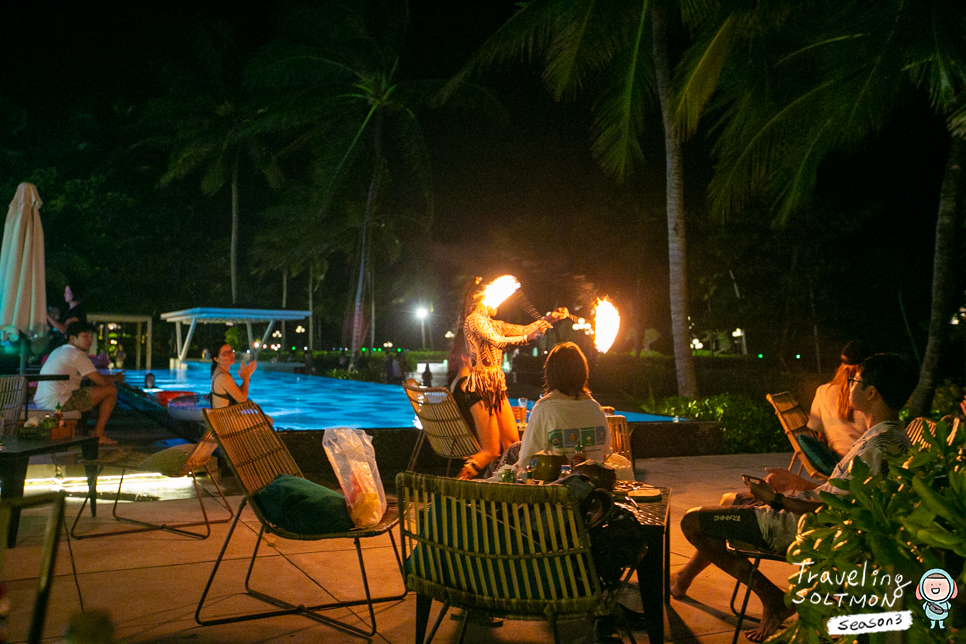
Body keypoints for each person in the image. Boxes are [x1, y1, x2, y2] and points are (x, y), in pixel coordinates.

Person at [676, 353, 916, 642]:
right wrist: (798, 482)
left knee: (692, 522)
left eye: (855, 381)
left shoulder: (877, 447)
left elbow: (838, 509)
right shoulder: (887, 435)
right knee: (729, 500)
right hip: (810, 511)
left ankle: (773, 598)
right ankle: (684, 578)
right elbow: (843, 492)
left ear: (871, 392)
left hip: (805, 527)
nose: (848, 386)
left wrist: (776, 500)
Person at [457, 277, 566, 479]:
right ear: (482, 296)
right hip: (480, 387)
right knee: (491, 451)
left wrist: (550, 318)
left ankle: (504, 488)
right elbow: (497, 341)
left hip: (496, 388)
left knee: (512, 445)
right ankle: (453, 490)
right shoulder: (474, 320)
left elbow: (524, 330)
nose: (499, 303)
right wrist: (526, 338)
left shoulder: (493, 323)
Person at [515, 342, 611, 475]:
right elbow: (605, 453)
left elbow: (527, 460)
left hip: (554, 487)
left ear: (550, 373)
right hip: (594, 484)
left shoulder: (544, 409)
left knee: (512, 451)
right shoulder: (595, 408)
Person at [34, 322, 126, 445]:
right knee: (111, 390)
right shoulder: (77, 354)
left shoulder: (59, 350)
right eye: (85, 336)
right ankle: (98, 434)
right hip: (59, 403)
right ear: (73, 338)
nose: (90, 340)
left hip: (43, 401)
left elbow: (94, 379)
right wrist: (116, 377)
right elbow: (101, 381)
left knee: (90, 390)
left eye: (91, 337)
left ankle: (85, 430)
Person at [806, 340, 873, 457]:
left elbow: (818, 431)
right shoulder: (871, 394)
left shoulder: (823, 391)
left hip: (838, 461)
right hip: (868, 459)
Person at [209, 342, 256, 408]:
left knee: (266, 418)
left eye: (231, 351)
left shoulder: (220, 372)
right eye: (226, 353)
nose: (231, 355)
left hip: (223, 416)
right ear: (216, 359)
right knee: (267, 418)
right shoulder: (223, 377)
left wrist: (247, 377)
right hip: (225, 417)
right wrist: (246, 378)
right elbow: (242, 399)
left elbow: (237, 394)